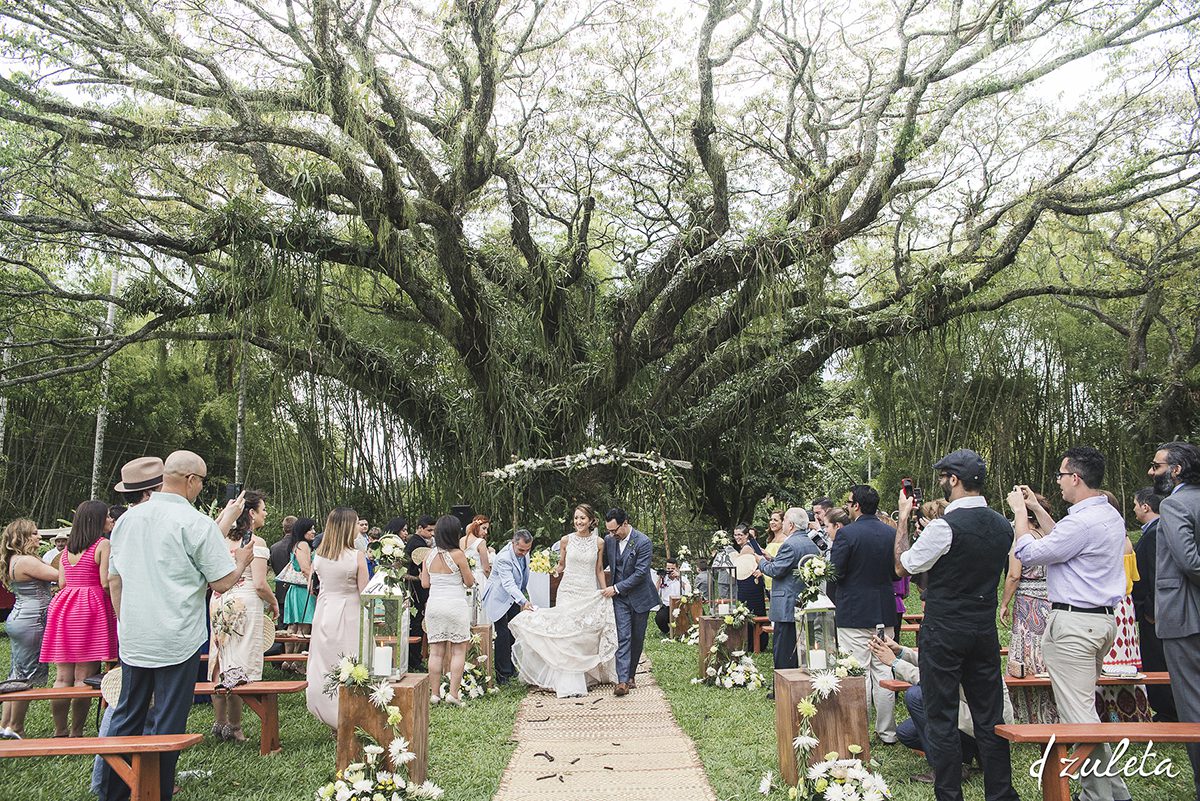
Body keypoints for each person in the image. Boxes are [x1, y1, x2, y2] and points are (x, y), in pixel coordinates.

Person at [100, 450, 252, 801]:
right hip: (177, 637)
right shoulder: (195, 522)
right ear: (191, 481)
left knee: (126, 714)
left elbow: (115, 579)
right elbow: (222, 583)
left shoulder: (127, 520)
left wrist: (125, 622)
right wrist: (242, 561)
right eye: (200, 482)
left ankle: (114, 793)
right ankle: (156, 791)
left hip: (136, 634)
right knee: (167, 721)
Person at [895, 449, 1019, 801]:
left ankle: (949, 794)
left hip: (945, 629)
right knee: (989, 716)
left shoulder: (943, 527)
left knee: (941, 717)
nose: (941, 483)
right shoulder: (1001, 525)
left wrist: (904, 518)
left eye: (943, 477)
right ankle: (1001, 793)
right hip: (983, 631)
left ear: (954, 480)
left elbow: (903, 566)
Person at [1010, 446, 1130, 801]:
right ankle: (1117, 792)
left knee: (1079, 719)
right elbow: (1062, 538)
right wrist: (1035, 508)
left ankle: (1096, 797)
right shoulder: (1107, 515)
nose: (1059, 482)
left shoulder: (1081, 522)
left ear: (1075, 478)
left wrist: (1019, 515)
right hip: (1101, 624)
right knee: (1085, 710)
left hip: (1075, 626)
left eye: (1061, 476)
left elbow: (1028, 552)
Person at [868, 634, 1014, 783]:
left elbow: (931, 680)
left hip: (990, 725)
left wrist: (894, 662)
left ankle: (947, 769)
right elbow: (934, 664)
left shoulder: (966, 647)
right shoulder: (960, 641)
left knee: (917, 696)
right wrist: (900, 651)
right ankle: (969, 753)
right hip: (973, 716)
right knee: (907, 733)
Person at [511, 504, 618, 697]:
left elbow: (599, 569)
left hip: (587, 591)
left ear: (591, 520)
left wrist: (603, 591)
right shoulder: (566, 540)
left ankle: (584, 677)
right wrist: (548, 569)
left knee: (582, 635)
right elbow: (561, 566)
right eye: (576, 518)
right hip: (567, 591)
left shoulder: (599, 542)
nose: (579, 522)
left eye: (582, 518)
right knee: (566, 635)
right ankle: (567, 682)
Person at [40, 499, 118, 738]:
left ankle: (59, 730)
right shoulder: (102, 544)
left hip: (64, 607)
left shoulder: (66, 550)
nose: (110, 520)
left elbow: (62, 582)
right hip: (90, 608)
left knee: (62, 676)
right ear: (96, 520)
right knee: (84, 676)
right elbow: (106, 581)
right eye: (106, 516)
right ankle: (76, 732)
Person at [1148, 440, 1200, 801]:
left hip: (1184, 615)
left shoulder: (1175, 503)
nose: (1152, 473)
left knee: (1193, 704)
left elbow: (1188, 561)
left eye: (1157, 466)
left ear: (1176, 470)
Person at [829, 484, 899, 744]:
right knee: (883, 669)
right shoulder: (890, 533)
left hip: (854, 612)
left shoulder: (847, 534)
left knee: (858, 671)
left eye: (849, 502)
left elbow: (835, 572)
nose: (847, 506)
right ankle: (887, 732)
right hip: (883, 608)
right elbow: (895, 573)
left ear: (856, 505)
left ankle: (859, 728)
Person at [208, 490, 277, 742]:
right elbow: (259, 583)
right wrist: (274, 601)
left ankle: (220, 722)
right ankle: (235, 726)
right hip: (244, 602)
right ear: (251, 513)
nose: (265, 513)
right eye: (262, 509)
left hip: (219, 600)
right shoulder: (255, 544)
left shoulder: (221, 540)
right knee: (238, 664)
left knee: (220, 659)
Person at [998, 492, 1058, 724]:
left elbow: (1013, 575)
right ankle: (1053, 710)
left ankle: (1029, 713)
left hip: (1028, 602)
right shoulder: (1053, 535)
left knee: (1027, 653)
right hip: (1052, 599)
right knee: (1048, 653)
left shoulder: (1022, 539)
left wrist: (1004, 603)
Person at [306, 508, 369, 728]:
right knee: (350, 659)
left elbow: (313, 587)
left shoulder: (320, 556)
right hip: (350, 611)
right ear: (347, 527)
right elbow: (365, 592)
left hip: (324, 611)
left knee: (324, 662)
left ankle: (327, 711)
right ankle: (349, 712)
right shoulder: (356, 556)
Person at [0, 518, 58, 739]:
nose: (39, 537)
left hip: (21, 617)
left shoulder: (15, 559)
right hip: (31, 620)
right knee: (27, 677)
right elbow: (60, 576)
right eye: (34, 533)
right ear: (22, 537)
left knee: (16, 673)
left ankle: (5, 723)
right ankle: (16, 726)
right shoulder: (26, 561)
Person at [755, 507, 819, 699]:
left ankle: (781, 690)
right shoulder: (809, 543)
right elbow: (789, 566)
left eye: (784, 522)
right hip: (803, 602)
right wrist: (772, 559)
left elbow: (776, 571)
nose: (781, 524)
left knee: (783, 650)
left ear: (790, 525)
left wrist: (761, 561)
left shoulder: (789, 544)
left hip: (787, 604)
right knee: (799, 649)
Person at [1130, 487, 1177, 722]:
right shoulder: (1156, 530)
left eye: (1136, 504)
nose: (1135, 509)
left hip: (1156, 614)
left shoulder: (1156, 533)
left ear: (1146, 506)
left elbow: (1157, 574)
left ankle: (1169, 711)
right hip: (1153, 612)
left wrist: (1151, 612)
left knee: (1158, 660)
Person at [601, 507, 656, 696]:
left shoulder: (643, 542)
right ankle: (622, 681)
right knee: (623, 636)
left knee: (637, 638)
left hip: (641, 597)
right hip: (620, 600)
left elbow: (641, 573)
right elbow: (601, 565)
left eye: (614, 530)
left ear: (625, 523)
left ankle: (631, 675)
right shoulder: (609, 541)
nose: (611, 534)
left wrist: (615, 588)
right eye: (608, 530)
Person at [422, 515, 475, 705]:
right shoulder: (458, 555)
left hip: (434, 605)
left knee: (435, 652)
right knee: (458, 651)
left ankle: (434, 694)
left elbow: (425, 583)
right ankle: (453, 694)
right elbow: (469, 582)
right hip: (454, 605)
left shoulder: (428, 555)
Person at [481, 530, 534, 685]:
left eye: (527, 550)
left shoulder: (524, 552)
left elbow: (522, 576)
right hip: (499, 598)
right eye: (521, 550)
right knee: (502, 635)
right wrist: (523, 601)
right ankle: (502, 674)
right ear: (513, 543)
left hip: (513, 597)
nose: (524, 553)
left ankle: (511, 668)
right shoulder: (504, 558)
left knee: (513, 632)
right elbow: (508, 583)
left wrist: (522, 597)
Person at [405, 515, 436, 670]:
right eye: (429, 530)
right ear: (419, 528)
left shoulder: (418, 542)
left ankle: (415, 658)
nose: (431, 533)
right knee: (416, 624)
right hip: (416, 590)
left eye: (433, 531)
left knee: (417, 623)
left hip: (418, 588)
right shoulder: (416, 544)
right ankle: (414, 660)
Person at [732, 524, 767, 650]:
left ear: (747, 535)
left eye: (740, 535)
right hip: (750, 582)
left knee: (749, 610)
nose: (737, 537)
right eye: (735, 535)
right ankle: (757, 642)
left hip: (750, 583)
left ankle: (753, 643)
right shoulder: (752, 545)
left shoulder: (747, 548)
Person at [460, 515, 492, 625]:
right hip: (479, 578)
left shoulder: (461, 541)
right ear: (476, 526)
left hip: (464, 577)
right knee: (481, 607)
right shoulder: (480, 542)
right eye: (484, 528)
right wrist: (491, 580)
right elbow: (486, 568)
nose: (486, 532)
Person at [268, 515, 297, 627]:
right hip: (296, 591)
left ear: (284, 528)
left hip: (281, 592)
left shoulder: (274, 547)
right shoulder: (299, 546)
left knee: (282, 627)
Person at [653, 558, 686, 635]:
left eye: (672, 569)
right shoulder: (663, 579)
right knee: (659, 618)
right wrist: (659, 579)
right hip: (667, 605)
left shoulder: (682, 578)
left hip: (680, 604)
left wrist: (679, 578)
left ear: (677, 568)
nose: (670, 570)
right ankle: (667, 631)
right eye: (668, 568)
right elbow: (655, 592)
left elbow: (688, 589)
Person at [762, 510, 787, 593]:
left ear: (783, 522)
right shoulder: (770, 539)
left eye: (775, 520)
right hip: (767, 581)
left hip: (778, 582)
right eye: (771, 520)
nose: (772, 522)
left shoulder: (785, 539)